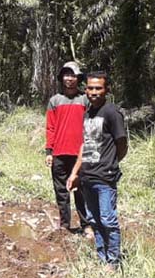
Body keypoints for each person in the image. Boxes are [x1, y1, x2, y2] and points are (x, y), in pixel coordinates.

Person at [67, 72, 128, 266]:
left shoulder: (112, 113)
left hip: (105, 177)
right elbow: (85, 145)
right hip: (87, 177)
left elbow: (122, 143)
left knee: (108, 219)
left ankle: (113, 261)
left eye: (98, 88)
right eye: (90, 88)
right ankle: (102, 257)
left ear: (106, 90)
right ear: (86, 90)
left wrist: (111, 162)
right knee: (93, 219)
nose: (94, 92)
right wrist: (75, 172)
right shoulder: (87, 113)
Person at [45, 61, 91, 233]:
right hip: (59, 152)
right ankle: (65, 225)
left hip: (80, 154)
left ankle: (86, 225)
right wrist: (49, 151)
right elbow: (50, 127)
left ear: (78, 78)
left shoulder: (85, 99)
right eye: (66, 75)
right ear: (61, 78)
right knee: (61, 192)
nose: (69, 79)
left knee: (81, 191)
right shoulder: (55, 101)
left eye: (72, 75)